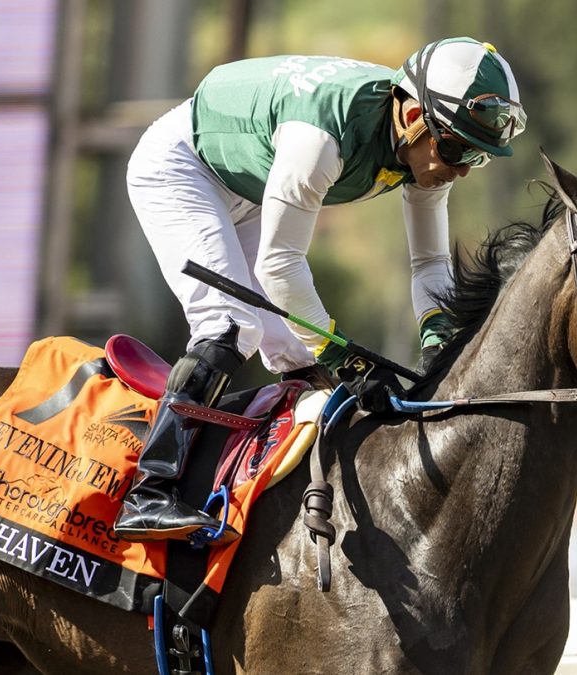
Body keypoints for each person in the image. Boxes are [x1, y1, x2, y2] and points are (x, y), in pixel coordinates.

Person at [115, 36, 527, 543]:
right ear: (414, 114)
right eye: (458, 149)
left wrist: (441, 346)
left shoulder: (424, 144)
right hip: (184, 167)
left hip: (249, 184)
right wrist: (344, 357)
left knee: (295, 354)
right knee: (230, 326)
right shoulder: (322, 140)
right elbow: (280, 263)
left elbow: (430, 264)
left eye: (479, 157)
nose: (462, 168)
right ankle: (148, 491)